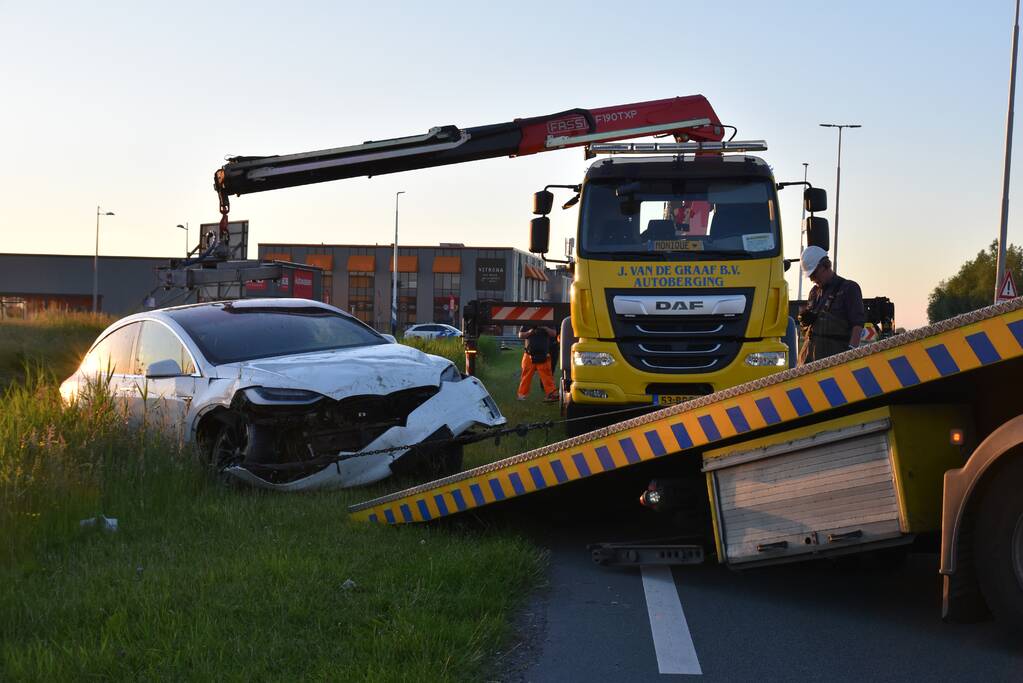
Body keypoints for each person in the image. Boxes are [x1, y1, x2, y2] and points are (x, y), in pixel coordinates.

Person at [797, 246, 865, 365]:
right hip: (809, 362)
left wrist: (851, 353)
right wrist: (805, 322)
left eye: (814, 274)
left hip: (836, 362)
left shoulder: (849, 288)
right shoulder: (813, 293)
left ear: (826, 265)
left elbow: (857, 325)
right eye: (810, 276)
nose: (812, 279)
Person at [517, 323, 558, 401]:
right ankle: (522, 395)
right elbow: (520, 335)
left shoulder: (547, 321)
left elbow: (554, 334)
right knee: (526, 376)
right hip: (529, 354)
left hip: (544, 354)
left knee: (547, 376)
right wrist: (530, 332)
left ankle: (552, 395)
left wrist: (545, 327)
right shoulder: (528, 320)